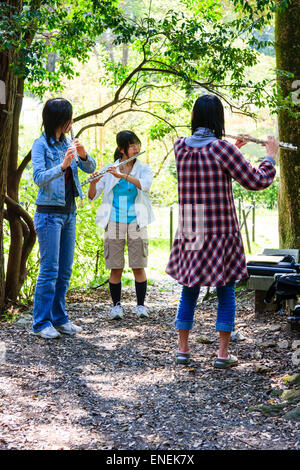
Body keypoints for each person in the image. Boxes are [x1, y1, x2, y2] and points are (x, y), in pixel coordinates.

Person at [166, 94, 279, 369]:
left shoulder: (180, 147)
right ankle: (223, 355)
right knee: (226, 290)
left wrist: (234, 147)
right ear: (218, 119)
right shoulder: (222, 150)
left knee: (189, 289)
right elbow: (256, 180)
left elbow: (209, 157)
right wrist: (270, 156)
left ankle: (183, 350)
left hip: (193, 226)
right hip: (221, 228)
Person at [31, 98, 96, 339]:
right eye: (69, 117)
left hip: (69, 213)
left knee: (65, 270)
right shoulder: (40, 145)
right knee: (50, 270)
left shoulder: (67, 143)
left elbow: (90, 168)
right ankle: (41, 322)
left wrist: (83, 154)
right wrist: (62, 165)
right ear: (60, 119)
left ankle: (59, 319)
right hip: (48, 214)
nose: (72, 122)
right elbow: (38, 177)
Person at [88, 130, 154, 320]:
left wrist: (122, 176)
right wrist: (94, 182)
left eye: (137, 144)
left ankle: (141, 306)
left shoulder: (143, 168)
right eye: (132, 145)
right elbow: (93, 195)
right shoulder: (110, 168)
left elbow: (145, 185)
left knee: (138, 265)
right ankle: (116, 307)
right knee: (115, 266)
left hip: (136, 220)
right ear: (121, 149)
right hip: (114, 220)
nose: (136, 148)